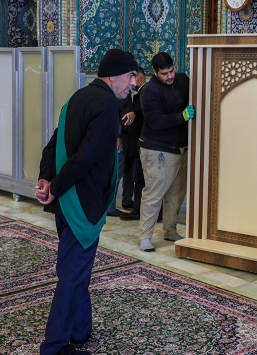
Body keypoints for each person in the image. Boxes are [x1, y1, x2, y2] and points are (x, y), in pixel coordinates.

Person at [35, 49, 137, 355]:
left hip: (66, 203)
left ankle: (80, 330)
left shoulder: (77, 97)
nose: (133, 83)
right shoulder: (107, 104)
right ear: (114, 76)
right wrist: (54, 186)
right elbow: (86, 156)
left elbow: (53, 143)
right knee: (72, 275)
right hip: (83, 203)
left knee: (76, 271)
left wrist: (46, 179)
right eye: (131, 76)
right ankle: (54, 346)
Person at [137, 52, 194, 252]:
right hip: (157, 149)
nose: (169, 76)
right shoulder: (149, 91)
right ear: (155, 72)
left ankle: (170, 230)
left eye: (171, 71)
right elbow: (155, 121)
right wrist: (182, 117)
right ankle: (145, 237)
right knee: (154, 194)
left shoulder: (182, 80)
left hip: (181, 148)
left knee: (176, 193)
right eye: (164, 73)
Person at [119, 66, 146, 220]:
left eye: (133, 77)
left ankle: (137, 208)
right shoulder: (131, 93)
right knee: (131, 173)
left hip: (138, 142)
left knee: (138, 176)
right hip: (129, 140)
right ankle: (131, 204)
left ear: (141, 77)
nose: (132, 82)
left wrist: (134, 113)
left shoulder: (145, 92)